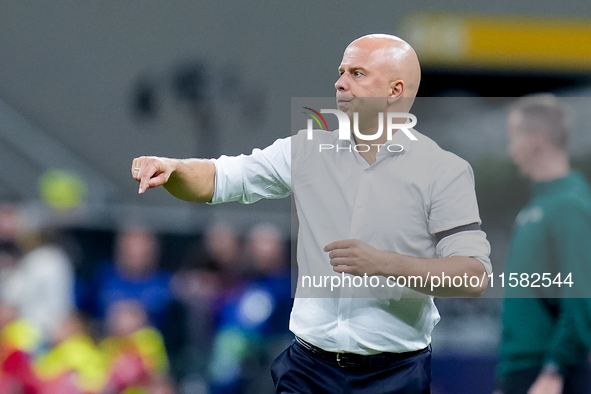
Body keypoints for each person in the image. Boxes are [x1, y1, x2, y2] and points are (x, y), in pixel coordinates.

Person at [131, 34, 492, 393]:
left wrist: (384, 263)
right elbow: (219, 178)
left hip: (394, 376)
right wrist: (173, 167)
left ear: (395, 91)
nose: (339, 82)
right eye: (340, 71)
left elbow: (473, 276)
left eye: (357, 73)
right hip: (308, 370)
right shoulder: (306, 151)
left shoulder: (443, 172)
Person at [494, 95, 591, 394]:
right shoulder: (539, 206)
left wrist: (554, 370)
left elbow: (581, 295)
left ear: (536, 140)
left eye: (514, 138)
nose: (511, 150)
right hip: (521, 369)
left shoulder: (570, 205)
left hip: (547, 375)